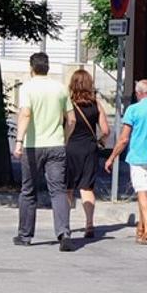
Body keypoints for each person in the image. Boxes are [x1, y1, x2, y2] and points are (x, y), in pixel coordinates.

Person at [13, 52, 74, 252]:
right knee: (58, 191)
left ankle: (25, 235)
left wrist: (19, 141)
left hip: (33, 146)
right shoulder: (60, 88)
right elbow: (71, 119)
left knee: (28, 191)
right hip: (56, 145)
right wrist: (64, 137)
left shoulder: (28, 88)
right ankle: (64, 233)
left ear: (31, 68)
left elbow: (25, 114)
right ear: (48, 67)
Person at [105, 79, 147, 244]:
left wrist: (112, 157)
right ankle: (141, 228)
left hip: (138, 157)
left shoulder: (133, 110)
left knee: (141, 192)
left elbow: (123, 139)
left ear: (139, 93)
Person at [64, 68, 109, 239]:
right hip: (89, 149)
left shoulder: (67, 104)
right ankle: (89, 223)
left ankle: (65, 224)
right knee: (87, 187)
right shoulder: (96, 104)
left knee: (67, 188)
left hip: (69, 148)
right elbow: (105, 130)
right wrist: (100, 142)